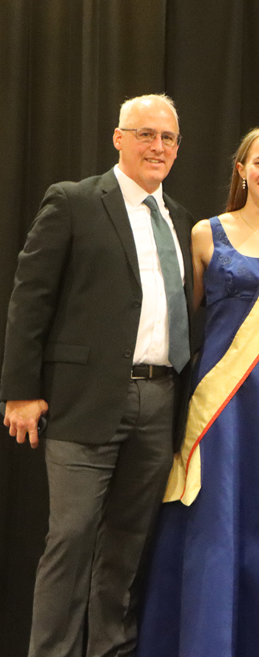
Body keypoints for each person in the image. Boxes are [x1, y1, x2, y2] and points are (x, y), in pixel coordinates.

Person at [0, 94, 194, 657]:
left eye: (168, 139)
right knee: (72, 537)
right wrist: (20, 390)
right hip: (83, 402)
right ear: (118, 137)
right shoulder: (75, 201)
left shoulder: (178, 218)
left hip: (160, 400)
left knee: (128, 544)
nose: (157, 147)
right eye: (145, 135)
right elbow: (30, 298)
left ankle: (109, 650)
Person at [137, 127, 259, 657]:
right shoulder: (205, 233)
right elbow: (183, 317)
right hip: (221, 404)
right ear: (241, 169)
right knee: (215, 521)